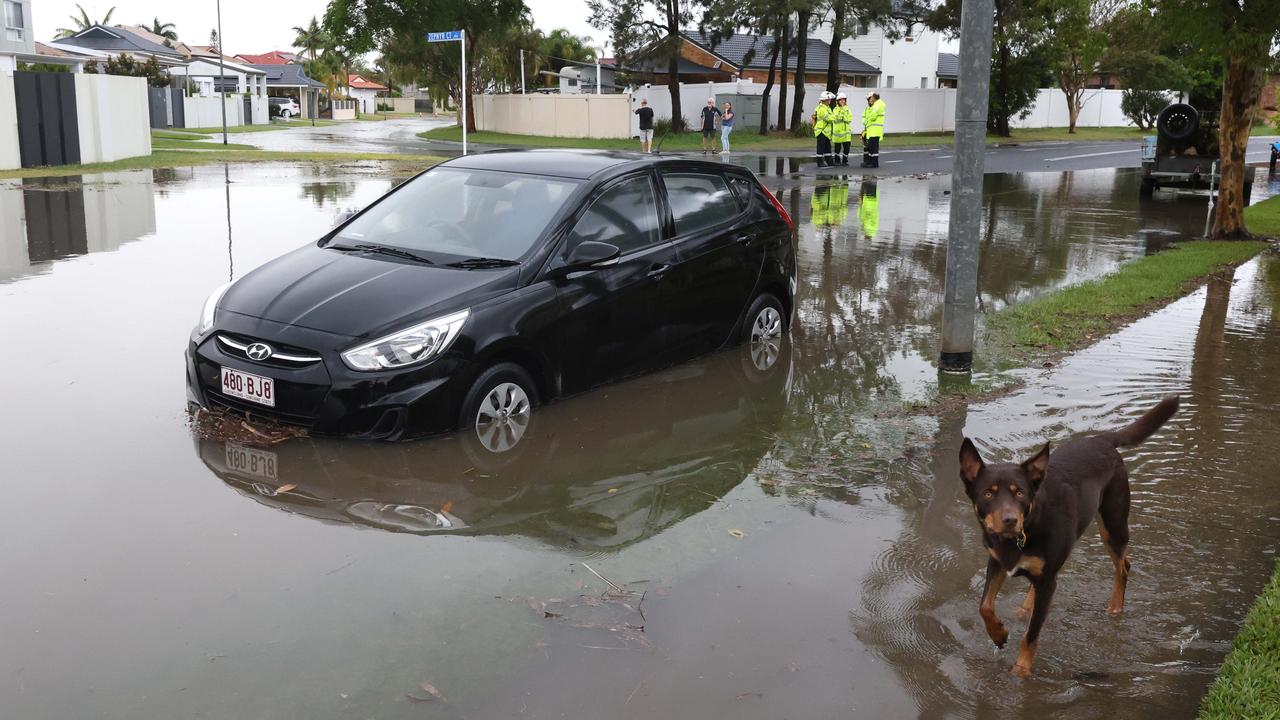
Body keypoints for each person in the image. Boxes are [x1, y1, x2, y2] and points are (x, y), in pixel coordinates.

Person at [861, 92, 885, 168]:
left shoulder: (877, 105)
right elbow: (865, 117)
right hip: (871, 130)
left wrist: (867, 120)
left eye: (871, 98)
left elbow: (873, 116)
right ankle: (870, 162)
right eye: (869, 99)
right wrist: (866, 122)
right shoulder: (873, 106)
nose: (870, 100)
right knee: (871, 147)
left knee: (874, 148)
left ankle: (874, 163)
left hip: (875, 131)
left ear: (874, 98)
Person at [812, 91, 835, 167]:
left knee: (827, 148)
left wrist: (832, 117)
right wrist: (833, 117)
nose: (830, 101)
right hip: (821, 131)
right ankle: (820, 162)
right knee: (820, 148)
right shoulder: (821, 109)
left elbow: (831, 117)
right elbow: (830, 118)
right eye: (829, 99)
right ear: (825, 100)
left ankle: (829, 161)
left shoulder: (827, 108)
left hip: (826, 132)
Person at [832, 93, 853, 166]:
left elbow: (849, 119)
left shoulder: (848, 109)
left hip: (846, 132)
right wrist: (842, 114)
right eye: (840, 100)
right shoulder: (835, 109)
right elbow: (835, 118)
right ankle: (837, 161)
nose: (842, 101)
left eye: (843, 99)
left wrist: (843, 116)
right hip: (838, 132)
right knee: (837, 148)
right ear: (837, 101)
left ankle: (845, 160)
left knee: (847, 148)